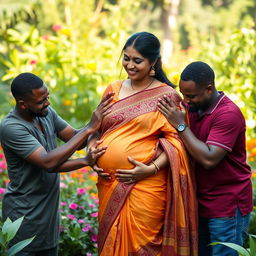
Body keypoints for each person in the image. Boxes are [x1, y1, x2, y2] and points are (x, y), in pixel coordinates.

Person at [89, 32, 198, 256]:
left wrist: (151, 168)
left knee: (145, 249)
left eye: (137, 60)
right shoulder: (113, 89)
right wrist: (91, 150)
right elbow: (96, 129)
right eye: (126, 58)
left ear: (153, 62)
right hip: (109, 184)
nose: (130, 65)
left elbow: (176, 142)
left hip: (146, 188)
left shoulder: (167, 96)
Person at [0, 72, 114, 256]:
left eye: (47, 97)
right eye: (41, 101)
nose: (47, 103)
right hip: (23, 219)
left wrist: (102, 119)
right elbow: (48, 162)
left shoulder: (45, 113)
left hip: (47, 220)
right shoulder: (11, 127)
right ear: (23, 103)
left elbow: (75, 137)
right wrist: (86, 150)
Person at [158, 61, 253, 256]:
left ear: (209, 89)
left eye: (191, 96)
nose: (186, 100)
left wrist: (181, 126)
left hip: (226, 206)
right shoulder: (190, 109)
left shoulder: (228, 114)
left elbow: (209, 159)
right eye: (183, 94)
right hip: (199, 202)